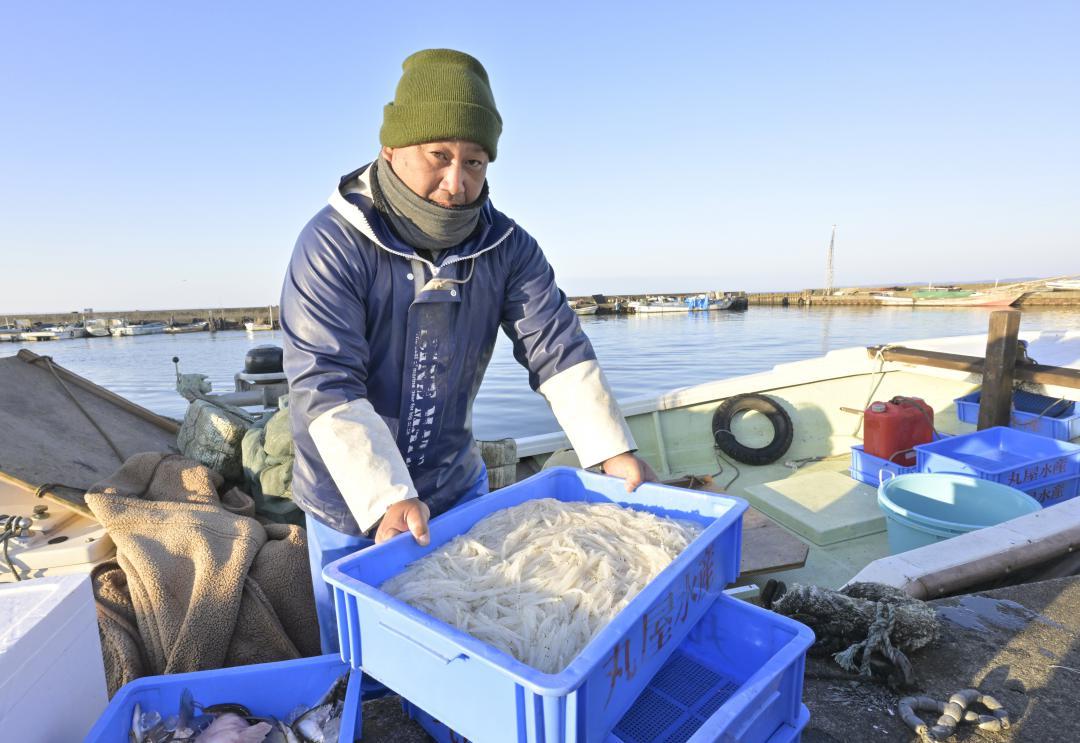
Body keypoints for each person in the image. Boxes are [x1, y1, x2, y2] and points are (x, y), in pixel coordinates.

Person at [280, 48, 655, 653]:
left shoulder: (509, 246)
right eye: (439, 156)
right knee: (361, 653)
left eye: (474, 162)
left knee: (466, 637)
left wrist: (611, 450)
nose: (456, 183)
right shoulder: (331, 245)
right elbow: (326, 382)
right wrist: (387, 498)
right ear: (391, 151)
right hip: (350, 502)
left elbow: (555, 345)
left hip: (456, 485)